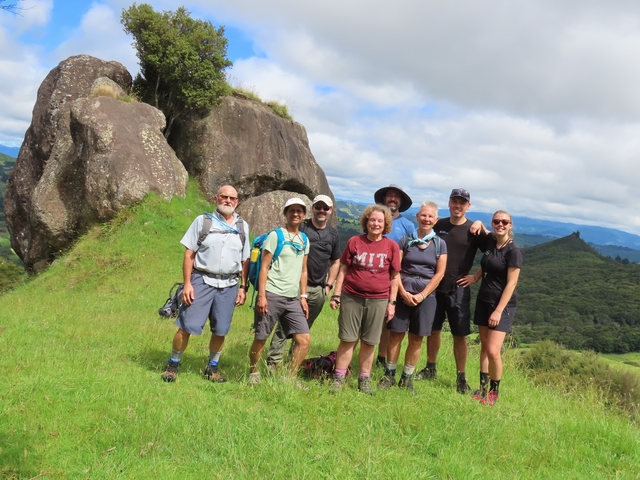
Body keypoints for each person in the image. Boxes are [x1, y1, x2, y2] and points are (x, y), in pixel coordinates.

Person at [161, 185, 250, 383]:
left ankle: (212, 367)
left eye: (232, 198)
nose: (228, 201)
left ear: (237, 202)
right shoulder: (203, 221)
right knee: (186, 325)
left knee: (221, 329)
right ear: (215, 198)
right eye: (224, 197)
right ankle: (172, 364)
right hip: (201, 280)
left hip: (229, 284)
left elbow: (245, 260)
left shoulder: (243, 227)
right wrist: (187, 284)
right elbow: (189, 254)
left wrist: (243, 287)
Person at [414, 188, 486, 394]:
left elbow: (493, 254)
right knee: (433, 330)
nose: (458, 205)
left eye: (462, 203)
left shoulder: (474, 230)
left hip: (459, 289)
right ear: (449, 203)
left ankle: (461, 377)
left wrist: (476, 276)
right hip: (434, 287)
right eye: (454, 201)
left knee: (459, 335)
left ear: (468, 206)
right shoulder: (440, 225)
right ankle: (430, 368)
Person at [329, 205, 400, 395]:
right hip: (352, 297)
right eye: (372, 220)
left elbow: (395, 277)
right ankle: (338, 378)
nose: (375, 224)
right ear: (366, 222)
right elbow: (343, 269)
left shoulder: (391, 246)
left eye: (380, 221)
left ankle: (364, 379)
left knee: (370, 341)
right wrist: (336, 294)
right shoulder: (354, 241)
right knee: (348, 339)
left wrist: (392, 303)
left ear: (385, 224)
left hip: (378, 300)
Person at [379, 201, 447, 394]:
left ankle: (406, 378)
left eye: (430, 216)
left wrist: (422, 295)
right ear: (417, 217)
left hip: (426, 296)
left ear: (435, 220)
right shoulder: (405, 239)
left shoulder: (440, 244)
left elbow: (439, 274)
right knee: (395, 335)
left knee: (417, 338)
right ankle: (389, 374)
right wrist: (403, 292)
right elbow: (396, 268)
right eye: (423, 215)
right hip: (403, 291)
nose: (426, 219)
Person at [266, 195, 341, 369]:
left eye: (326, 208)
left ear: (330, 211)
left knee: (303, 328)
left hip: (319, 289)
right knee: (284, 326)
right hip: (297, 286)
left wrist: (329, 285)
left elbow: (336, 261)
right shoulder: (303, 228)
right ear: (312, 208)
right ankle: (273, 363)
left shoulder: (333, 234)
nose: (322, 210)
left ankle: (292, 363)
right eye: (318, 207)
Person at [460, 210, 522, 406]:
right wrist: (476, 277)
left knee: (494, 351)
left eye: (504, 222)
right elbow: (488, 264)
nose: (500, 224)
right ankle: (483, 388)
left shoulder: (513, 252)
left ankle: (494, 393)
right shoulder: (491, 242)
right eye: (497, 221)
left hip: (502, 306)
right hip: (483, 301)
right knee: (484, 348)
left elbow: (511, 284)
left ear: (510, 225)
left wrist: (498, 311)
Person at [248, 198, 311, 387]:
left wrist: (303, 296)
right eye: (291, 210)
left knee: (304, 339)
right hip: (272, 293)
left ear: (304, 215)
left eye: (299, 211)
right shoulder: (276, 235)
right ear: (285, 213)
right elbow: (264, 267)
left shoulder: (304, 239)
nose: (296, 214)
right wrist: (261, 295)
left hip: (293, 298)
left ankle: (289, 378)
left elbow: (304, 270)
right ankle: (254, 373)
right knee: (261, 337)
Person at [373, 184, 416, 367]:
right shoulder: (376, 220)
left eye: (396, 196)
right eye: (389, 195)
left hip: (396, 279)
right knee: (370, 320)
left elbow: (413, 251)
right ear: (384, 199)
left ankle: (382, 358)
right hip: (374, 277)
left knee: (388, 322)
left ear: (400, 201)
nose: (392, 199)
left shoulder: (407, 225)